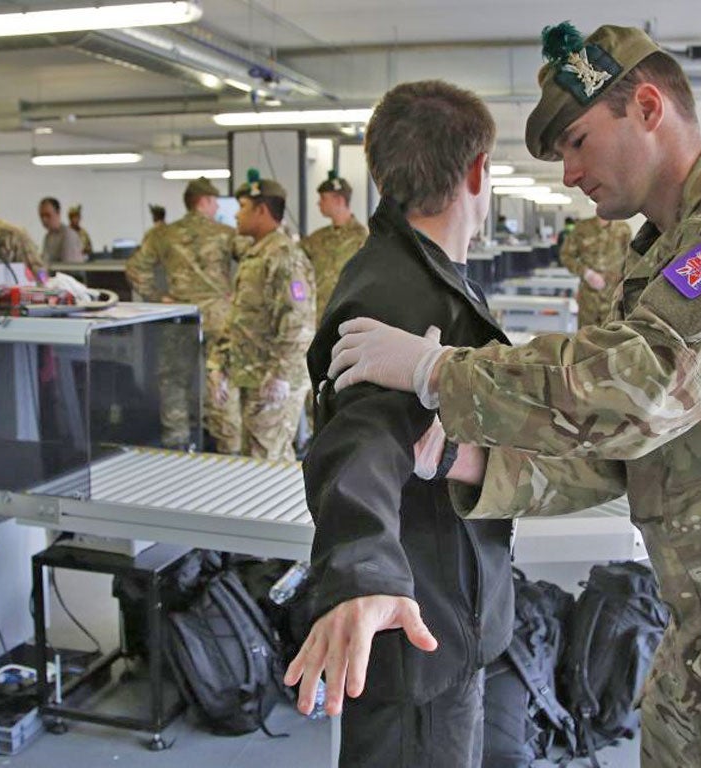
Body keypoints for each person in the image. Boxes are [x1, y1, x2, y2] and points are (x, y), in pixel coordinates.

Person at [323, 23, 701, 767]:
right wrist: (474, 463)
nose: (569, 172)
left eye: (576, 140)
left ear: (645, 106)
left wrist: (438, 371)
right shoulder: (657, 266)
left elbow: (647, 384)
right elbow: (624, 450)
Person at [283, 80, 514, 768]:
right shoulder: (396, 292)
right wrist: (365, 571)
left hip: (445, 619)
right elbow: (358, 444)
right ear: (477, 172)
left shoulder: (430, 274)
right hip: (416, 637)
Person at [125, 177, 244, 454]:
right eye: (214, 202)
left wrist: (157, 297)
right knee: (221, 377)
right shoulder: (226, 233)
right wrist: (236, 294)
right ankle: (228, 445)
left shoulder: (163, 235)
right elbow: (254, 263)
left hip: (180, 316)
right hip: (220, 318)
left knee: (174, 380)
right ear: (203, 201)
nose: (216, 207)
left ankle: (176, 442)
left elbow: (135, 268)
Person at [207, 170, 315, 462]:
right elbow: (241, 319)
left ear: (262, 210)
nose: (236, 216)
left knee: (266, 459)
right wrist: (220, 364)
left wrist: (279, 375)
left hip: (275, 379)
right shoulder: (256, 255)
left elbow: (299, 323)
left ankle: (280, 510)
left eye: (242, 207)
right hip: (254, 375)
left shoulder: (283, 256)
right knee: (263, 456)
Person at [301, 170, 368, 320]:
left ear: (339, 200)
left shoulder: (363, 238)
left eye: (323, 198)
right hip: (317, 318)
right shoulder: (317, 238)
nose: (319, 203)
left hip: (347, 319)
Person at [558, 213, 631, 327]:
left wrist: (625, 283)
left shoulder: (623, 229)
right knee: (586, 337)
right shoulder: (581, 228)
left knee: (612, 338)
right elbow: (566, 256)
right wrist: (586, 273)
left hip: (613, 296)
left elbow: (630, 259)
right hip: (588, 297)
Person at [38, 197, 85, 264]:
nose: (44, 220)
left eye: (48, 215)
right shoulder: (48, 237)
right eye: (41, 216)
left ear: (58, 213)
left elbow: (69, 268)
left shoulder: (68, 235)